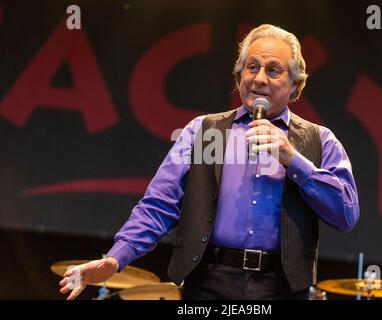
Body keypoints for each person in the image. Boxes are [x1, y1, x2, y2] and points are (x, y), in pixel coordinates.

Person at [59, 24, 359, 300]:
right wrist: (115, 258)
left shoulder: (320, 140)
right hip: (209, 283)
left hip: (282, 286)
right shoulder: (202, 131)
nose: (259, 78)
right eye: (251, 67)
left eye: (273, 70)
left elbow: (345, 214)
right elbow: (159, 204)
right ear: (239, 77)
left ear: (295, 85)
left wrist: (294, 160)